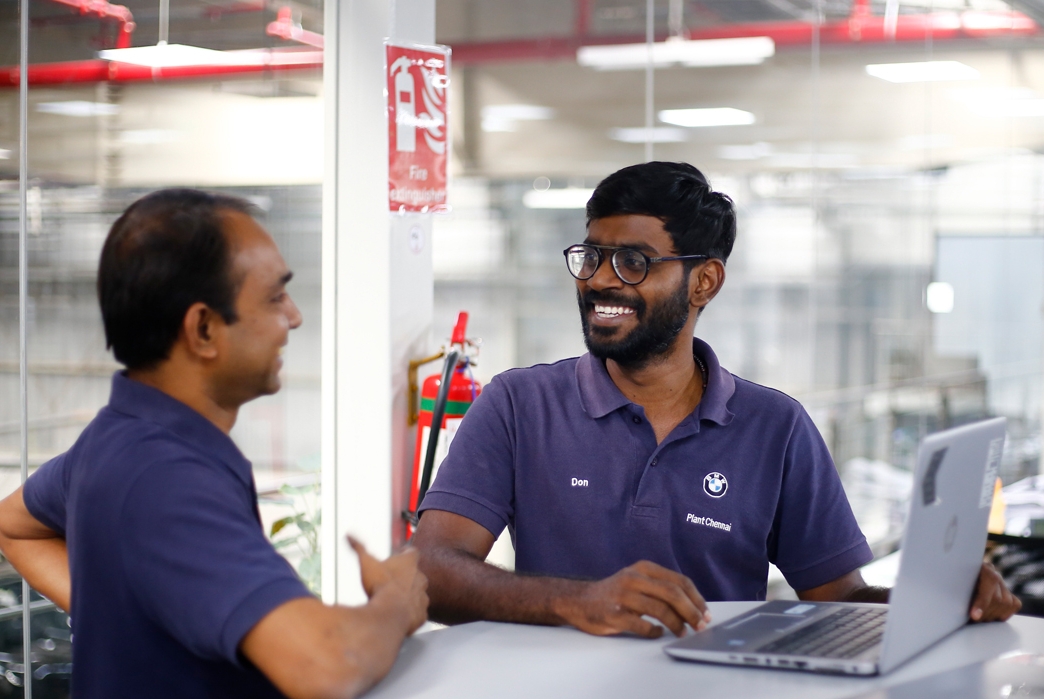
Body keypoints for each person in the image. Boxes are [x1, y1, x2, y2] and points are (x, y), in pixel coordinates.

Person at [411, 161, 1021, 639]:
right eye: (592, 257)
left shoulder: (775, 427)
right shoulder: (520, 404)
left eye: (632, 262)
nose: (599, 279)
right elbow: (429, 571)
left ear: (703, 281)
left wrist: (941, 598)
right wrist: (574, 601)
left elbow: (838, 600)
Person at [0, 189, 427, 698]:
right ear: (203, 329)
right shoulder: (164, 478)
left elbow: (15, 527)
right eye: (274, 297)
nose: (293, 317)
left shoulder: (115, 439)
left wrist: (124, 612)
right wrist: (395, 604)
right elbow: (328, 665)